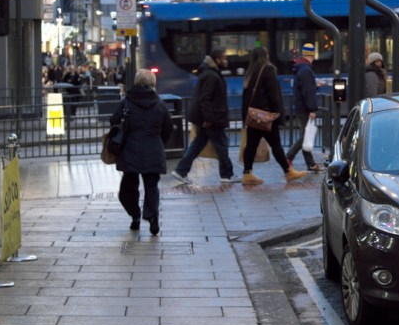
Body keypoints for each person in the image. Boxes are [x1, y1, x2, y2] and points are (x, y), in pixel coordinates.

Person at [111, 68, 173, 236]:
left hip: (130, 150)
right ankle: (152, 217)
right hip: (153, 149)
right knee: (151, 187)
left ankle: (135, 215)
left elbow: (114, 121)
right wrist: (158, 142)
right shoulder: (160, 104)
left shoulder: (126, 102)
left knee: (128, 188)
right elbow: (168, 128)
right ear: (153, 84)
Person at [172, 48, 242, 185]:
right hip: (211, 118)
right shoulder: (211, 75)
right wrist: (208, 119)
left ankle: (181, 171)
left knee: (198, 144)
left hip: (208, 117)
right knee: (221, 145)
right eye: (224, 58)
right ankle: (227, 175)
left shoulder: (210, 73)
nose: (226, 61)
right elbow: (205, 99)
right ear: (216, 60)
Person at [241, 47, 306, 185]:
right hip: (267, 115)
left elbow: (246, 97)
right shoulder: (268, 69)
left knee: (251, 145)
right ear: (266, 56)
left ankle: (247, 174)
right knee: (276, 144)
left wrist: (245, 117)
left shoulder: (250, 72)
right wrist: (278, 113)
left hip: (254, 116)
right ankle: (288, 172)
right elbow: (274, 94)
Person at [285, 42, 321, 172]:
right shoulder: (306, 70)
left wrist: (316, 86)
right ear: (313, 54)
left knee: (305, 135)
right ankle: (288, 157)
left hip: (300, 106)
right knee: (305, 136)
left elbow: (305, 88)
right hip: (304, 108)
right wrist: (312, 109)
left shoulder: (301, 68)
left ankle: (310, 164)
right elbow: (307, 91)